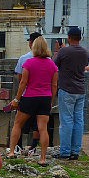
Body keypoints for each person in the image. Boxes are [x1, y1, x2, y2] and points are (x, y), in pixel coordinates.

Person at [7, 36, 58, 165]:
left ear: (33, 47)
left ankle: (12, 151)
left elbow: (23, 82)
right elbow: (54, 85)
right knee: (43, 128)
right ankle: (43, 158)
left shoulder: (28, 63)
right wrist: (51, 100)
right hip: (45, 98)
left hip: (29, 97)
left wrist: (17, 99)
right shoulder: (52, 64)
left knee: (18, 124)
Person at [53, 26, 89, 160]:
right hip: (80, 89)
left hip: (67, 89)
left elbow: (53, 64)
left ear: (68, 37)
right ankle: (76, 150)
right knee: (78, 120)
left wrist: (58, 51)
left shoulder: (64, 51)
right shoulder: (85, 53)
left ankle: (65, 151)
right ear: (80, 38)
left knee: (66, 121)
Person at [14, 32, 43, 152]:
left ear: (31, 43)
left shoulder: (24, 58)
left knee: (19, 122)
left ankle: (17, 146)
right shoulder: (47, 59)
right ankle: (34, 146)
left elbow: (20, 79)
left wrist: (17, 98)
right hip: (42, 94)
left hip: (27, 94)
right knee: (39, 123)